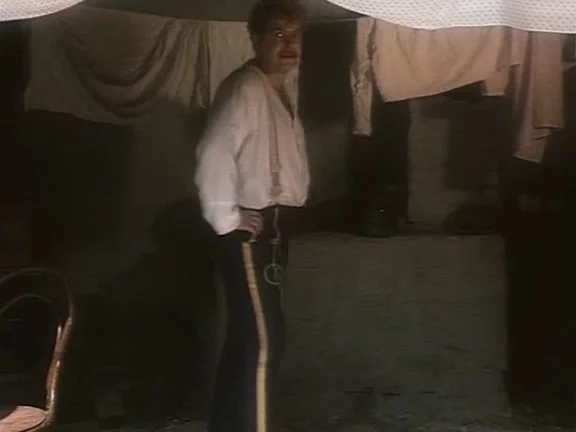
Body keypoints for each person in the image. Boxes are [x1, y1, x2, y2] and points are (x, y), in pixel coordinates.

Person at [194, 1, 309, 431]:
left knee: (247, 338)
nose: (288, 44)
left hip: (274, 229)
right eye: (277, 33)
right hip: (250, 232)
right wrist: (227, 217)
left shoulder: (281, 89)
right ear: (255, 38)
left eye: (295, 34)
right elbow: (213, 152)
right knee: (265, 341)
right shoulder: (245, 88)